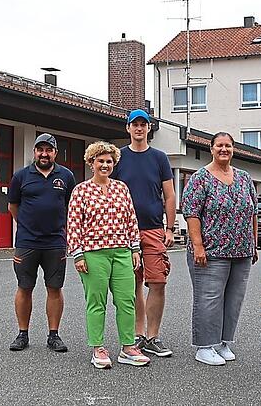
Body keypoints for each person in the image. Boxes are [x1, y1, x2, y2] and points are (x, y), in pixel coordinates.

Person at [67, 141, 150, 369]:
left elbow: (131, 220)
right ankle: (98, 348)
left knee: (127, 300)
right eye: (100, 161)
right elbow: (74, 224)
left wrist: (135, 248)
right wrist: (78, 254)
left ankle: (128, 347)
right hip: (93, 254)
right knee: (97, 301)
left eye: (109, 161)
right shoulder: (81, 190)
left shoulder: (121, 188)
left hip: (122, 251)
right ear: (91, 163)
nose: (105, 165)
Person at [180, 132, 259, 366]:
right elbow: (192, 213)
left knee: (233, 299)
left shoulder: (244, 177)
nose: (224, 149)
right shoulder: (200, 178)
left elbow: (252, 212)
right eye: (219, 146)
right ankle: (204, 346)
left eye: (228, 146)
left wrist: (253, 243)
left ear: (233, 149)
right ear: (211, 149)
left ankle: (224, 342)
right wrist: (198, 246)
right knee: (209, 299)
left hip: (241, 250)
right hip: (211, 251)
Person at [111, 108, 177, 358]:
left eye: (143, 124)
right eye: (134, 124)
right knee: (133, 284)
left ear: (149, 128)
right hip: (124, 231)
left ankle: (153, 336)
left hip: (153, 229)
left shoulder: (159, 158)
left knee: (157, 281)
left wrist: (169, 228)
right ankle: (138, 335)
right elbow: (110, 192)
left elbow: (169, 195)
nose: (139, 128)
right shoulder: (118, 158)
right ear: (127, 128)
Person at [7, 133, 76, 353]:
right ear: (34, 152)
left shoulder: (66, 176)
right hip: (27, 242)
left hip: (55, 242)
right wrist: (27, 225)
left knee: (54, 288)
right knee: (24, 287)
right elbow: (13, 207)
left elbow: (70, 207)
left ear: (55, 152)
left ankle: (53, 335)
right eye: (40, 149)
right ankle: (22, 334)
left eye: (49, 150)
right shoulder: (20, 176)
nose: (44, 154)